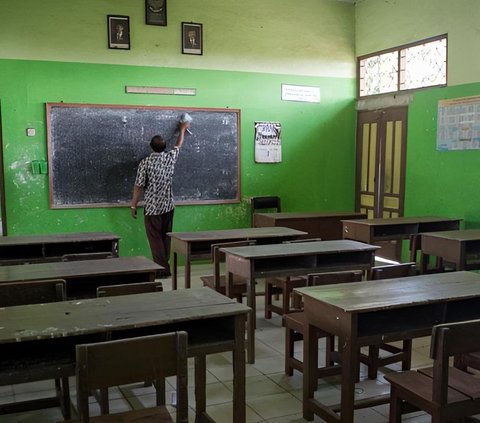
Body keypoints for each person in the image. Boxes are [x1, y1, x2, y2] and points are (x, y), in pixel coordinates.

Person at [131, 121, 189, 277]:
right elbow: (178, 145)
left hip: (152, 208)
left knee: (155, 239)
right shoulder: (170, 157)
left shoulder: (145, 163)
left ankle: (162, 270)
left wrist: (133, 206)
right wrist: (182, 129)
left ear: (151, 147)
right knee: (165, 238)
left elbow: (138, 186)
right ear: (164, 147)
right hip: (168, 206)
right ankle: (164, 266)